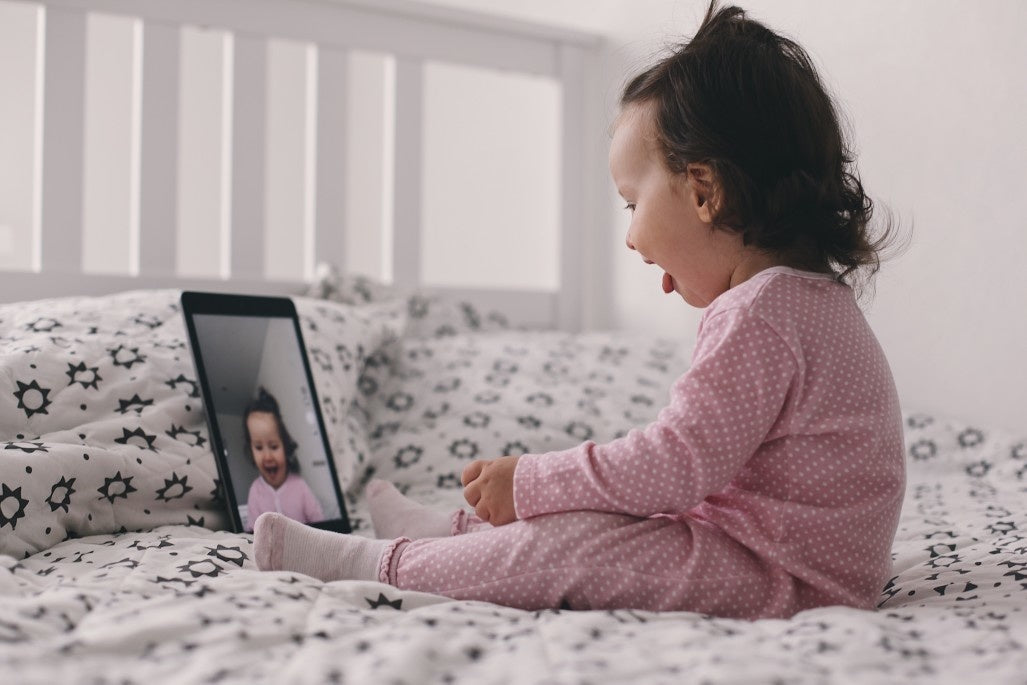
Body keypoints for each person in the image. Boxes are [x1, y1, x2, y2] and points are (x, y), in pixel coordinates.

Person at [252, 1, 905, 620]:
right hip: (800, 565)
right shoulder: (811, 301)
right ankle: (452, 534)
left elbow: (671, 465)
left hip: (785, 582)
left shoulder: (760, 314)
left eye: (631, 203)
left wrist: (533, 478)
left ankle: (374, 563)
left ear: (703, 190)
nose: (629, 236)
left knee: (577, 544)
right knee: (609, 515)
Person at [243, 387, 324, 532]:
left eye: (274, 447)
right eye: (258, 448)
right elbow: (252, 533)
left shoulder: (300, 486)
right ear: (251, 450)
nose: (267, 456)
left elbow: (321, 524)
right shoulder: (255, 491)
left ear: (285, 447)